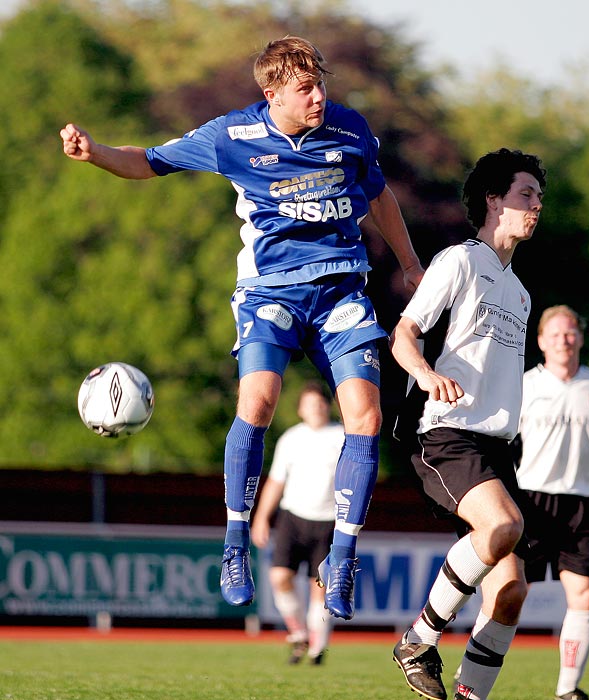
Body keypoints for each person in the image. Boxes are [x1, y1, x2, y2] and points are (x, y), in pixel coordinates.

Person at [60, 36, 423, 620]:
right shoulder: (232, 135)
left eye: (321, 84)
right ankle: (234, 546)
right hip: (270, 292)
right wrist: (96, 152)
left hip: (340, 291)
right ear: (271, 93)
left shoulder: (351, 129)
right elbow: (149, 160)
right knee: (257, 403)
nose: (319, 96)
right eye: (306, 88)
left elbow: (379, 197)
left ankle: (342, 557)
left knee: (368, 416)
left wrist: (409, 264)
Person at [390, 147, 546, 700]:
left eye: (538, 197)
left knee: (510, 592)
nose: (536, 205)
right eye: (526, 194)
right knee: (502, 527)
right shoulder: (458, 260)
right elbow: (403, 336)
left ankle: (469, 696)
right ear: (493, 200)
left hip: (497, 447)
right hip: (446, 432)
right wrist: (427, 375)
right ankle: (417, 638)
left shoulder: (521, 294)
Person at [514, 305, 589, 700]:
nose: (564, 339)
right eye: (556, 334)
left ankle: (567, 690)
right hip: (531, 502)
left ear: (579, 338)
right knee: (508, 591)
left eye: (571, 333)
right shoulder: (524, 385)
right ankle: (472, 673)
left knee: (584, 596)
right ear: (541, 341)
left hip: (581, 506)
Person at [251, 381, 344, 665]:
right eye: (310, 404)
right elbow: (276, 481)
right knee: (279, 577)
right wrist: (261, 518)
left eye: (321, 403)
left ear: (328, 406)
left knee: (320, 587)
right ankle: (298, 633)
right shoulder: (291, 438)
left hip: (328, 521)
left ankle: (318, 647)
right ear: (301, 409)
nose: (316, 408)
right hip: (293, 517)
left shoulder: (343, 436)